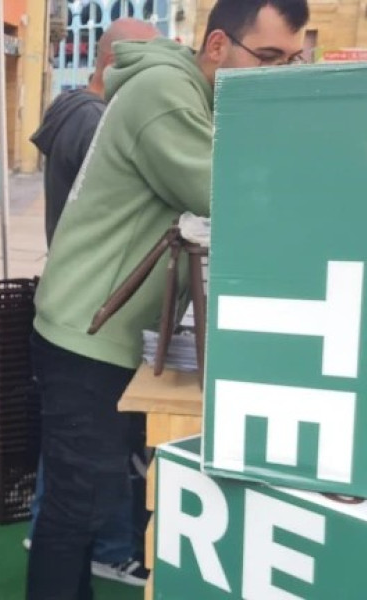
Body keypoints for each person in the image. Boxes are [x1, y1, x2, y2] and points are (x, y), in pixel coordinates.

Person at [27, 1, 309, 598]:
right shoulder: (164, 92)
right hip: (87, 327)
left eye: (292, 60)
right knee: (73, 510)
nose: (277, 73)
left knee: (83, 505)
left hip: (104, 324)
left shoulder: (191, 91)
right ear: (216, 47)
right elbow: (222, 192)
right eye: (266, 57)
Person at [27, 18, 160, 588]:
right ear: (114, 61)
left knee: (65, 479)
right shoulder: (92, 122)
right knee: (70, 489)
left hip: (74, 301)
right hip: (82, 308)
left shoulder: (78, 115)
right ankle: (94, 548)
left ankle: (72, 542)